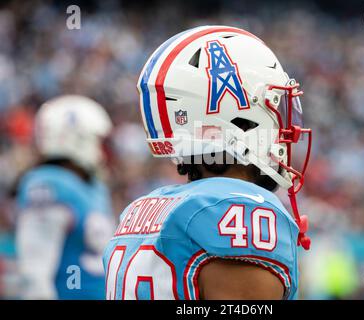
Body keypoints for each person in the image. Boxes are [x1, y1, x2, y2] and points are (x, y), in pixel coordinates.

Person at [103, 25, 312, 300]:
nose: (288, 127)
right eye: (276, 105)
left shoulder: (137, 211)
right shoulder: (242, 209)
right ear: (242, 118)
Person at [15, 95, 115, 299]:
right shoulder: (48, 184)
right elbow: (35, 270)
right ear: (77, 138)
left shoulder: (91, 187)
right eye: (96, 141)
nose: (101, 152)